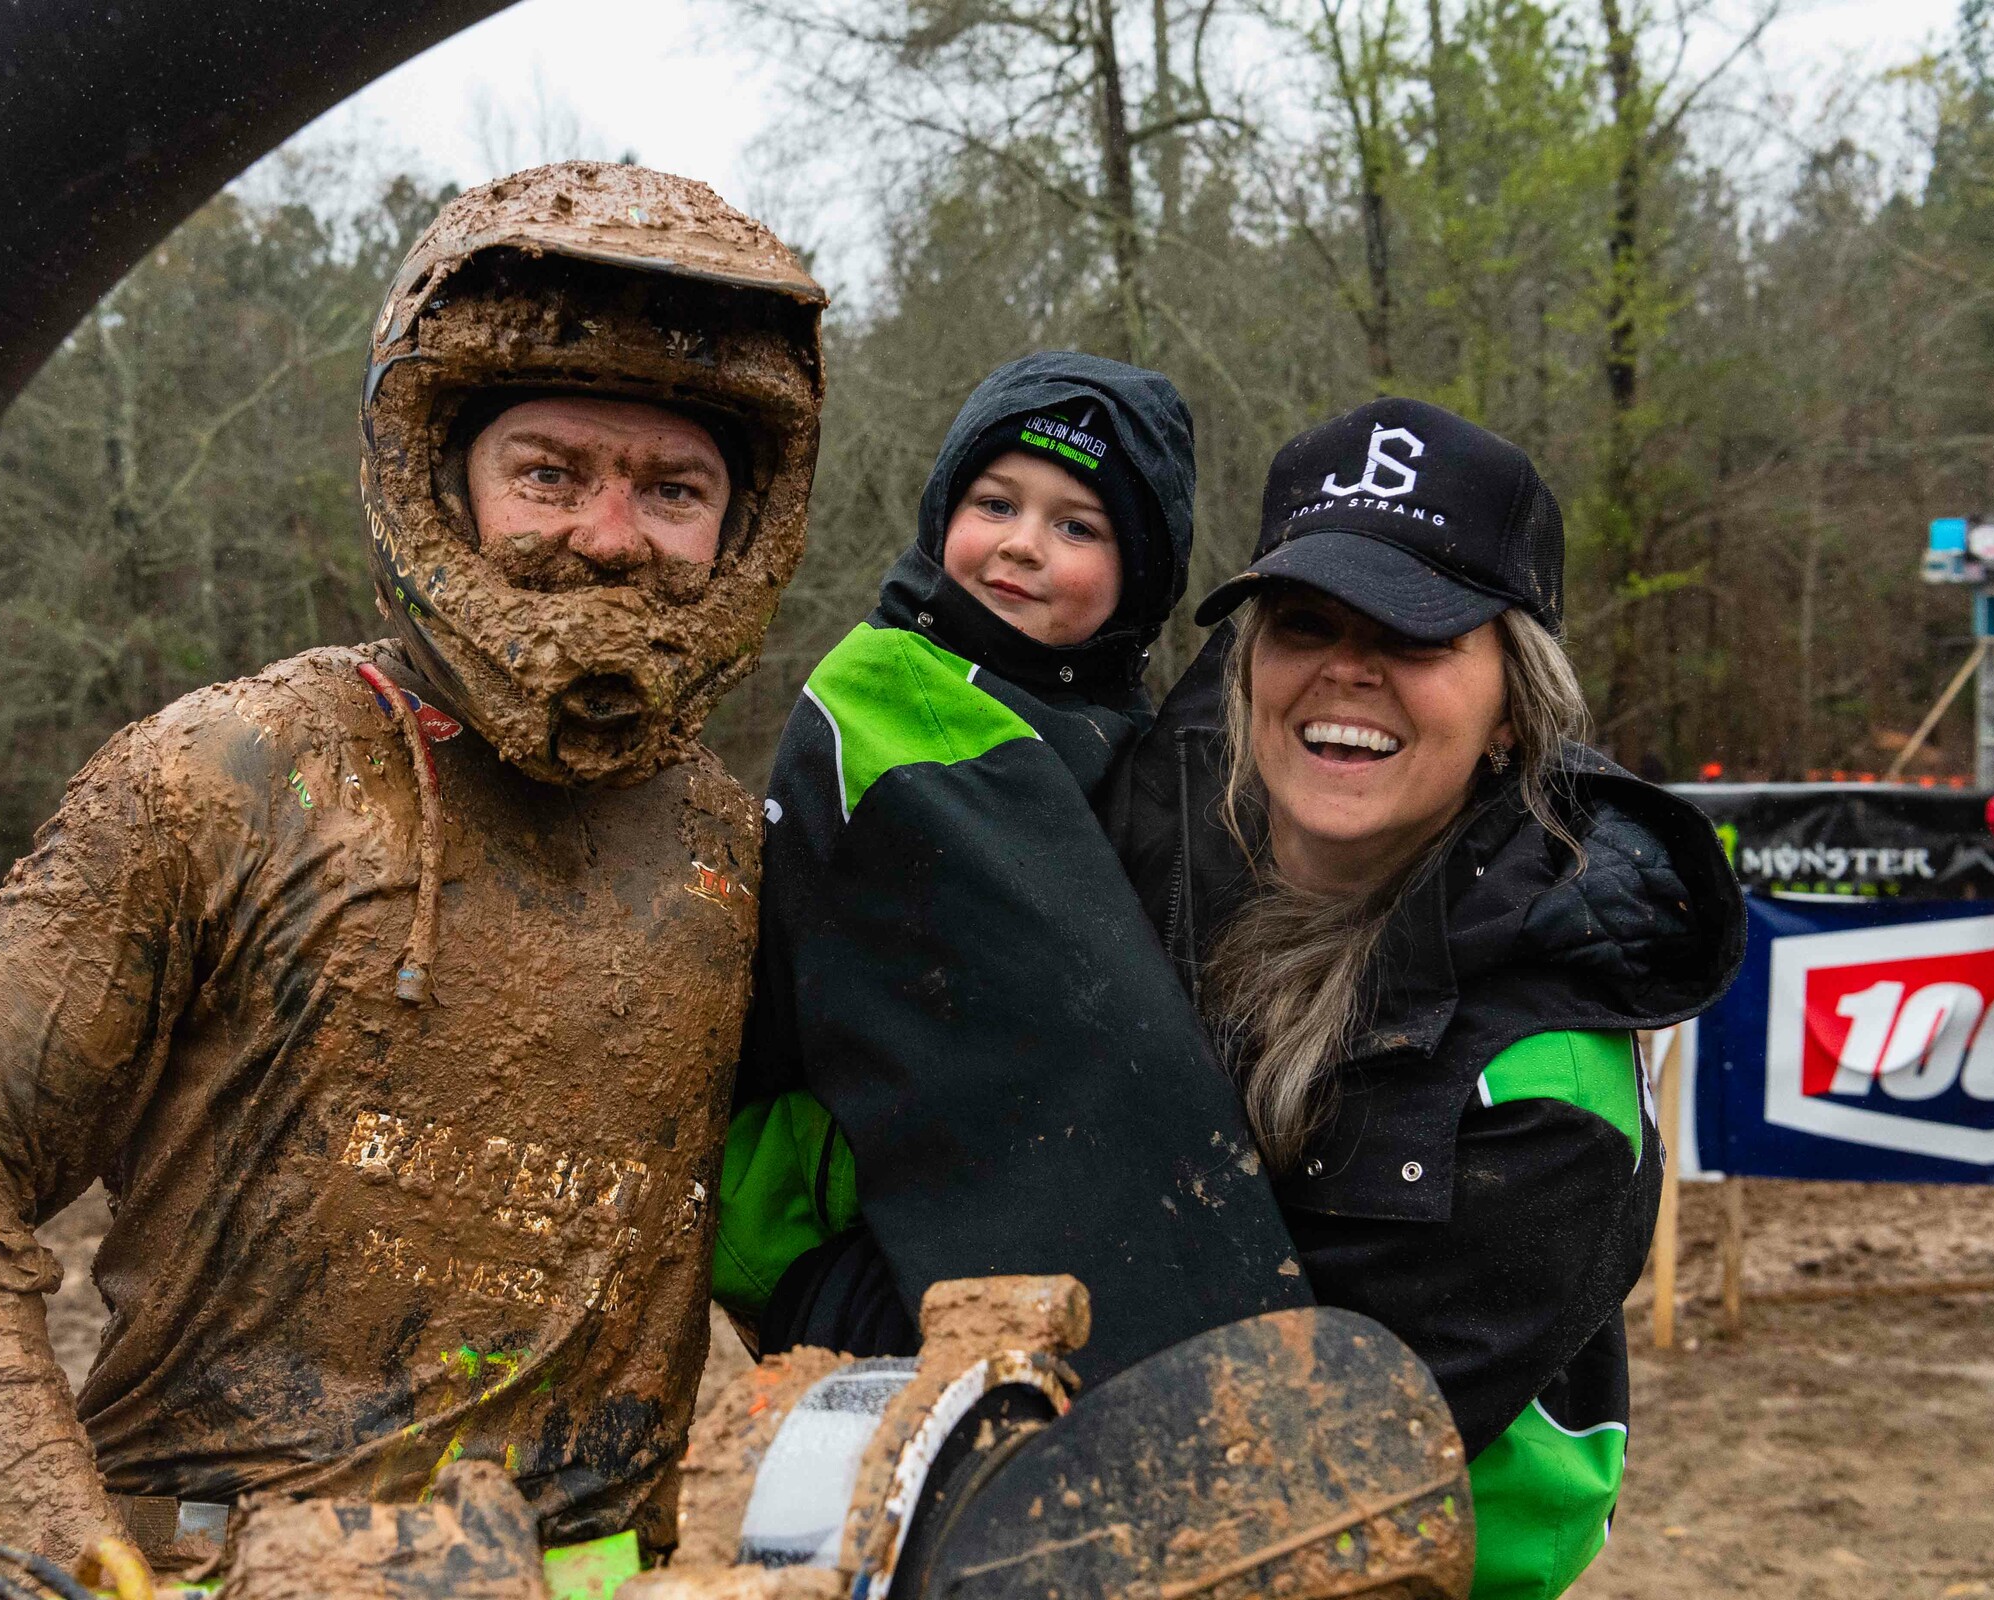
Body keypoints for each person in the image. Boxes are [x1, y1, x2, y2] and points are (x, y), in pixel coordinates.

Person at [0, 163, 826, 1570]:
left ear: (744, 525)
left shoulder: (737, 853)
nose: (609, 536)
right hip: (222, 1558)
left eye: (675, 488)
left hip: (594, 1572)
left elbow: (809, 1210)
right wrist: (51, 1522)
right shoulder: (229, 773)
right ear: (443, 476)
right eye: (550, 473)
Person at [1107, 397, 1745, 1600]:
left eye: (1416, 633)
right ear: (1245, 670)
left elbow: (1266, 1463)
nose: (1348, 669)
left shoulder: (1547, 1082)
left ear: (1512, 707)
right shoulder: (1170, 854)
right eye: (1305, 621)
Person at [715, 353, 1309, 1383]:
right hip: (841, 1230)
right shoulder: (875, 691)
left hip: (1036, 1249)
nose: (1022, 546)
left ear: (1141, 574)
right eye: (995, 502)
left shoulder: (1146, 745)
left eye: (1078, 526)